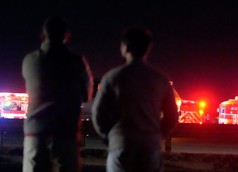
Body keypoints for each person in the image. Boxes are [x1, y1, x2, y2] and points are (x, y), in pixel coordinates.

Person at [92, 27, 178, 172]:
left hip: (121, 145)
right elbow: (172, 116)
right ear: (148, 48)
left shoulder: (112, 77)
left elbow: (98, 113)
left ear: (124, 48)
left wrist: (109, 136)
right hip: (150, 147)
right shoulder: (160, 79)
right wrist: (157, 136)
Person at [22, 16, 93, 172]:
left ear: (42, 35)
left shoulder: (29, 60)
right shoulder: (76, 61)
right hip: (65, 132)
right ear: (66, 36)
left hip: (35, 133)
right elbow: (86, 95)